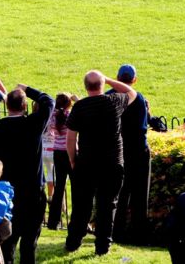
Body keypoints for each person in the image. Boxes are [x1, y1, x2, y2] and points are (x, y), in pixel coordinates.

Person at [0, 84, 52, 264]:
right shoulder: (33, 124)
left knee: (8, 240)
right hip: (33, 189)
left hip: (6, 191)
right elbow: (48, 102)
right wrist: (29, 89)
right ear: (24, 106)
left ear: (7, 106)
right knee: (29, 241)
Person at [64, 69, 138, 256]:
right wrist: (109, 79)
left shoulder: (80, 107)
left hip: (86, 162)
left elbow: (71, 139)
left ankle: (73, 242)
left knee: (82, 205)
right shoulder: (113, 102)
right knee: (107, 205)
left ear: (86, 87)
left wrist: (73, 159)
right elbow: (132, 93)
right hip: (112, 162)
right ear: (102, 85)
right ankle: (102, 246)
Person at [112, 64, 151, 245]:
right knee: (140, 193)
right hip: (138, 150)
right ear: (133, 80)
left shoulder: (108, 97)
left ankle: (116, 232)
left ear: (118, 78)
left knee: (119, 193)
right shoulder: (139, 99)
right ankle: (139, 234)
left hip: (118, 150)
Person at [44, 93, 73, 231]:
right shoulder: (71, 115)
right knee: (76, 187)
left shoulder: (53, 117)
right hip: (71, 152)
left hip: (58, 152)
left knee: (59, 187)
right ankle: (76, 221)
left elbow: (49, 129)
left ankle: (53, 222)